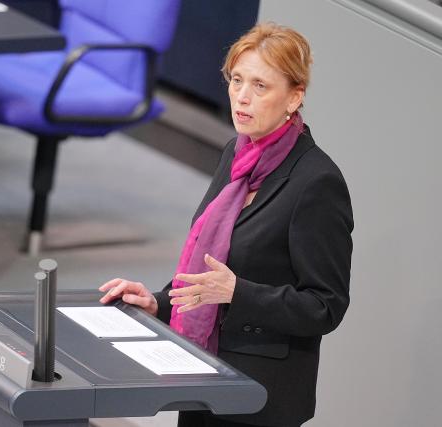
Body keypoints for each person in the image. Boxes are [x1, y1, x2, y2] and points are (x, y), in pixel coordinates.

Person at [98, 22, 353, 427]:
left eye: (260, 86)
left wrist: (239, 292)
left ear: (294, 97)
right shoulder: (236, 154)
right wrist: (159, 303)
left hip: (258, 397)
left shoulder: (316, 183)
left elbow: (326, 306)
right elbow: (207, 267)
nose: (242, 97)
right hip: (201, 372)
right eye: (236, 80)